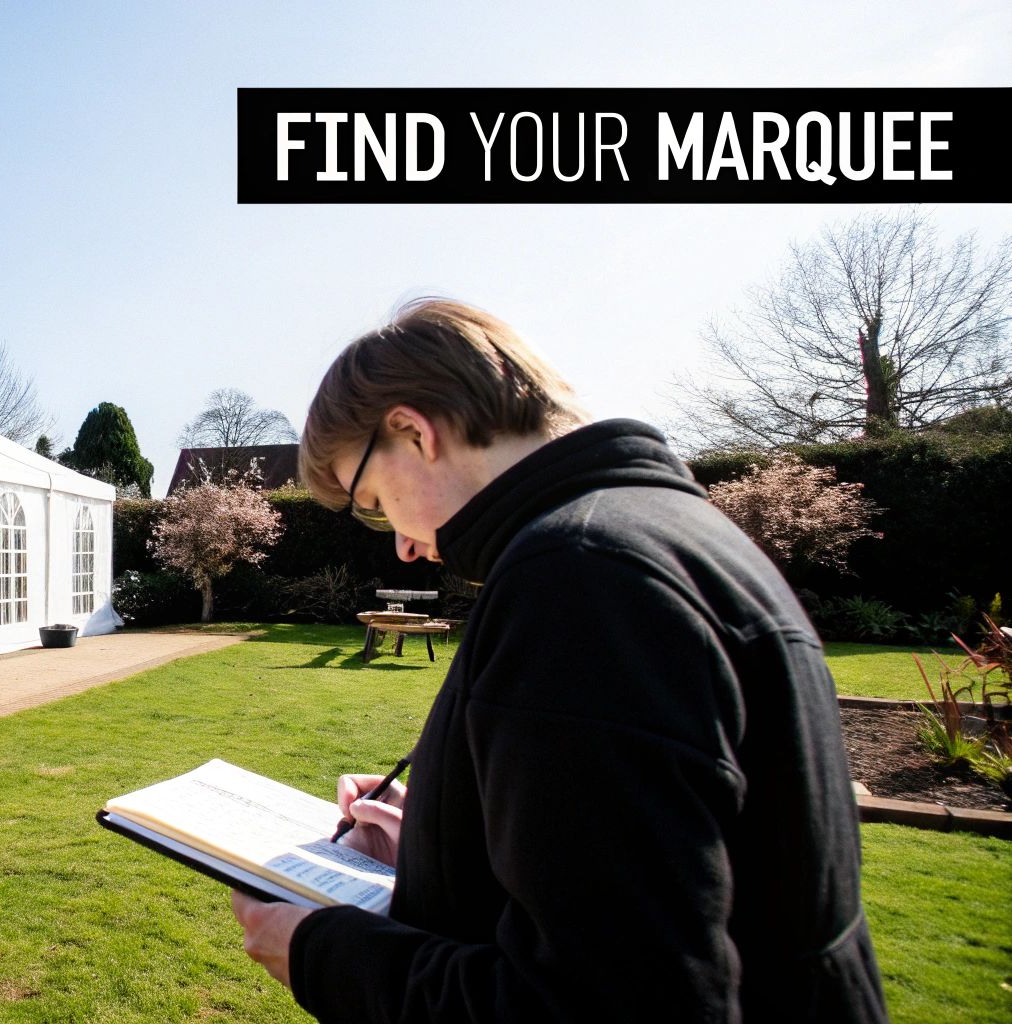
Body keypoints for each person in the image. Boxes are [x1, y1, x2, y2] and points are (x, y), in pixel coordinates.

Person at [230, 298, 888, 1022]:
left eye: (378, 505)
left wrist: (318, 954)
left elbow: (601, 1004)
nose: (403, 545)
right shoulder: (670, 534)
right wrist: (448, 841)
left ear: (414, 432)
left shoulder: (581, 576)